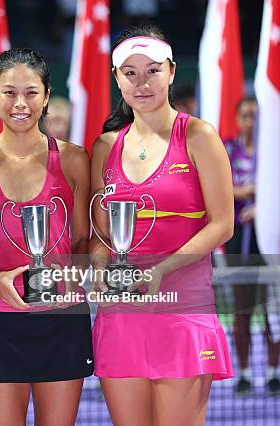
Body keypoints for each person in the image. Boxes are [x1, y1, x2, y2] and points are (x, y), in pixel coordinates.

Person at [89, 24, 234, 425]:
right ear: (117, 79)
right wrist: (102, 273)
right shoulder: (105, 146)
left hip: (183, 311)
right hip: (121, 316)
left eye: (152, 70)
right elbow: (101, 236)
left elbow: (222, 224)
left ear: (171, 72)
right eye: (130, 73)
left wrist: (160, 270)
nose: (142, 82)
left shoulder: (200, 136)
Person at [0, 47, 93, 425]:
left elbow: (82, 242)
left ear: (47, 96)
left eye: (31, 92)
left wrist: (81, 270)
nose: (20, 103)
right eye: (9, 92)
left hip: (63, 321)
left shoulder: (74, 159)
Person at [224, 97, 280, 396]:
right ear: (236, 118)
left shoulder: (273, 151)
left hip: (269, 239)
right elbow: (218, 185)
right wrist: (247, 191)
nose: (251, 121)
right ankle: (242, 373)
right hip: (238, 242)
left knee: (273, 307)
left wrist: (264, 207)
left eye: (255, 116)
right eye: (245, 115)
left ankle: (274, 372)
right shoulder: (227, 148)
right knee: (242, 308)